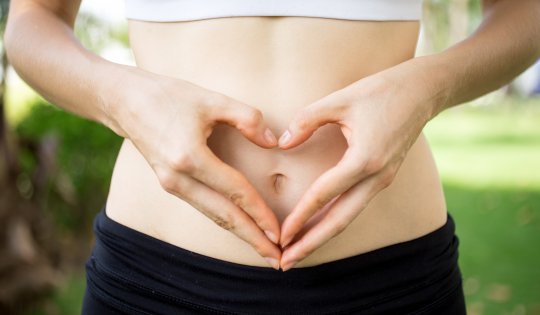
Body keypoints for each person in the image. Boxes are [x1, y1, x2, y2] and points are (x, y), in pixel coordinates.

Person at [5, 0, 540, 314]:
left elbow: (522, 13)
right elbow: (32, 24)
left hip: (389, 278)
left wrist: (427, 90)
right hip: (158, 275)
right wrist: (126, 101)